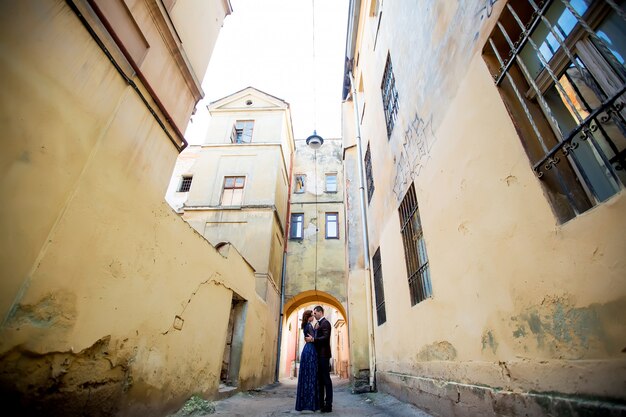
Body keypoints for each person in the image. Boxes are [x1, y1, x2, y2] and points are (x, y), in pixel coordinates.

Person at [305, 305, 332, 413]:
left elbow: (325, 338)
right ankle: (321, 404)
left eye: (315, 313)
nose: (314, 315)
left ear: (320, 312)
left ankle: (328, 405)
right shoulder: (319, 324)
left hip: (324, 355)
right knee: (320, 381)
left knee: (326, 380)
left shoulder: (325, 323)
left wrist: (313, 339)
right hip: (319, 355)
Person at [295, 309, 320, 412]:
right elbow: (313, 338)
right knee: (311, 375)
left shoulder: (306, 325)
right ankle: (310, 403)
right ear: (309, 317)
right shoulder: (309, 325)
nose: (313, 316)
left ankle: (304, 403)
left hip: (307, 349)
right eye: (312, 315)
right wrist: (317, 330)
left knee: (306, 375)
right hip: (310, 350)